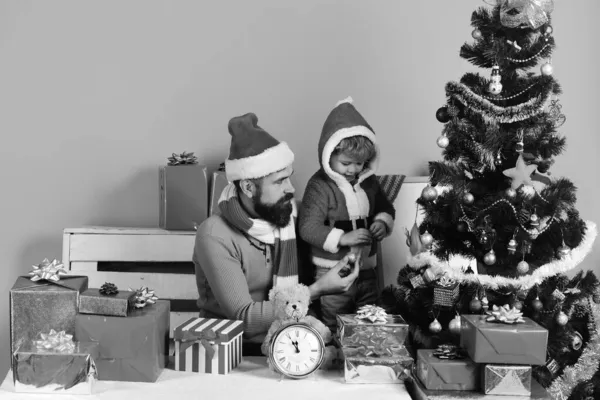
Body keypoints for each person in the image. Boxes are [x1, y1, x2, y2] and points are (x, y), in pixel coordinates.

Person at [193, 112, 359, 355]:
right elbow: (244, 318)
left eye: (288, 178)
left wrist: (344, 262)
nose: (291, 189)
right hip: (233, 353)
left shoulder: (291, 216)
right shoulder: (215, 234)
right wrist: (318, 289)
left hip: (294, 343)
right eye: (280, 182)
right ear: (248, 187)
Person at [298, 97, 395, 330]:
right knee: (334, 319)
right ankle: (333, 353)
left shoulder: (369, 182)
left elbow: (385, 207)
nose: (353, 169)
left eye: (360, 163)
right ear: (328, 154)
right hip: (332, 268)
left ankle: (362, 357)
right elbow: (308, 228)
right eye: (346, 163)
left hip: (367, 268)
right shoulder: (320, 185)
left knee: (369, 319)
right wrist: (342, 238)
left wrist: (382, 222)